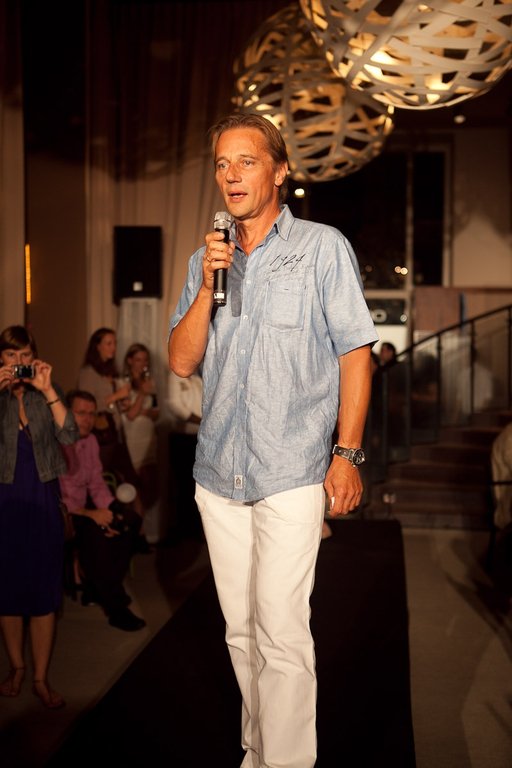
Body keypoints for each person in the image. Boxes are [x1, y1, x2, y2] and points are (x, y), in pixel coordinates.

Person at [167, 113, 378, 768]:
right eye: (222, 164)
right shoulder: (208, 259)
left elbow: (355, 353)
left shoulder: (321, 248)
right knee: (241, 632)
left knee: (282, 633)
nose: (231, 175)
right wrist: (208, 286)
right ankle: (257, 753)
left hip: (291, 469)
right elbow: (181, 360)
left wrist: (346, 454)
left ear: (280, 169)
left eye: (247, 161)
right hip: (218, 474)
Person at [0, 325, 78, 709]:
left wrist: (48, 391)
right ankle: (16, 667)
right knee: (7, 592)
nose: (19, 362)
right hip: (4, 502)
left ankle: (40, 678)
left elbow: (70, 435)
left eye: (25, 355)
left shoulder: (47, 391)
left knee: (45, 593)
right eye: (11, 355)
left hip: (42, 498)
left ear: (35, 358)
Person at [59, 390, 146, 632]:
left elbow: (96, 483)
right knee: (95, 533)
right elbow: (57, 497)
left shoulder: (90, 441)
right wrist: (91, 515)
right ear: (66, 413)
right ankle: (115, 607)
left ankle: (99, 587)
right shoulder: (56, 444)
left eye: (92, 414)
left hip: (83, 507)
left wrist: (111, 509)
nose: (88, 419)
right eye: (81, 413)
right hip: (63, 514)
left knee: (129, 522)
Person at [78, 328, 142, 499]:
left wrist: (122, 403)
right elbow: (85, 406)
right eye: (108, 343)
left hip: (117, 432)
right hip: (101, 437)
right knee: (104, 480)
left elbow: (110, 405)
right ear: (97, 346)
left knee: (128, 481)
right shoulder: (88, 373)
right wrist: (116, 396)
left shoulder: (110, 371)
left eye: (114, 343)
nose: (113, 347)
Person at [119, 343, 159, 514]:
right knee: (134, 485)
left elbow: (156, 413)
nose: (142, 364)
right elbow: (130, 415)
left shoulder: (150, 382)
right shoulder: (122, 382)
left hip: (148, 439)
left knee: (149, 486)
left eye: (145, 360)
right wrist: (142, 394)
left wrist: (143, 411)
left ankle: (146, 525)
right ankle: (136, 523)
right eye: (138, 359)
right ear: (129, 361)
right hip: (132, 440)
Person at [166, 369, 204, 541]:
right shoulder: (175, 375)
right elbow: (175, 405)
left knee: (197, 485)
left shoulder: (198, 377)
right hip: (182, 438)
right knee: (183, 484)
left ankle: (196, 529)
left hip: (199, 438)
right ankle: (185, 531)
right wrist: (201, 420)